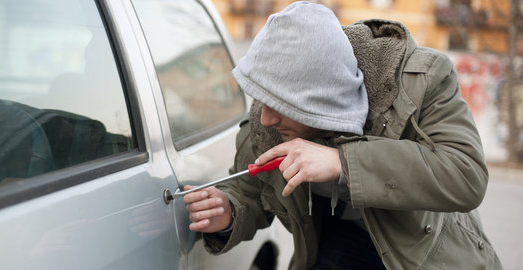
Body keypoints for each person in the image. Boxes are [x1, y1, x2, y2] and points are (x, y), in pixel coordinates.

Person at [183, 1, 502, 269]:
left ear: (319, 99)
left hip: (427, 254)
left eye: (281, 105)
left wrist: (343, 161)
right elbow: (253, 189)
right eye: (262, 99)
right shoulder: (269, 117)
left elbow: (466, 175)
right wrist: (229, 209)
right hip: (337, 247)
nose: (265, 117)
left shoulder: (423, 80)